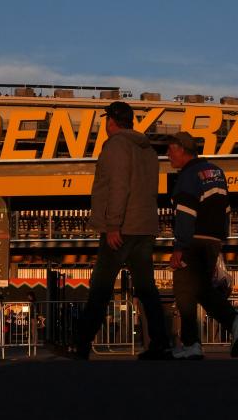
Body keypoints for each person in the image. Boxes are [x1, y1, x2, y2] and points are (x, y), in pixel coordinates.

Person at [70, 100, 170, 360]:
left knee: (101, 287)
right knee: (147, 289)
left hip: (122, 227)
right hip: (144, 226)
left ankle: (81, 345)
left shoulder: (116, 145)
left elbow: (118, 186)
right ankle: (160, 344)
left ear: (111, 121)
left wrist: (113, 224)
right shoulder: (147, 149)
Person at [166, 131, 238, 360]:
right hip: (213, 241)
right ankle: (234, 320)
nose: (167, 155)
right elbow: (225, 208)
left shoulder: (187, 175)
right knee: (201, 288)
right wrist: (221, 238)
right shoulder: (216, 172)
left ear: (181, 149)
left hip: (193, 240)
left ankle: (192, 343)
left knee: (184, 291)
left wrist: (179, 246)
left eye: (170, 150)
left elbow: (185, 213)